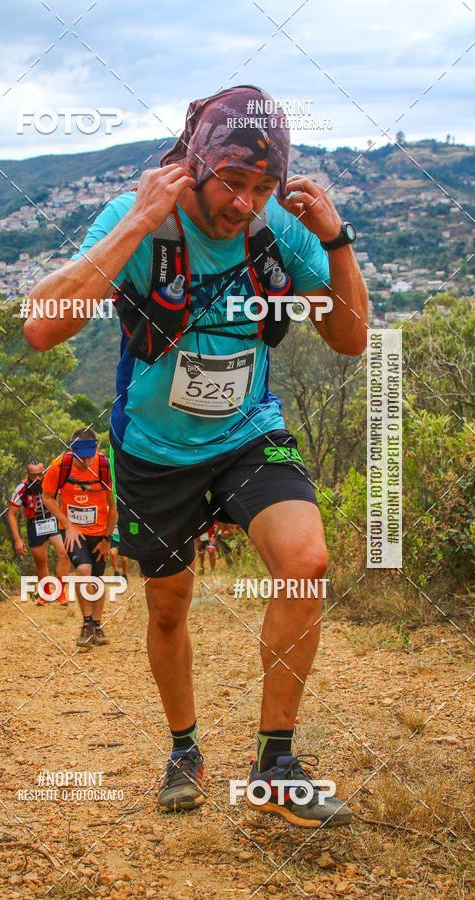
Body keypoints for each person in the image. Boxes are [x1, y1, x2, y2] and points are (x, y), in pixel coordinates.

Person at [24, 84, 367, 826]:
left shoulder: (278, 226)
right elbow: (42, 327)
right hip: (154, 450)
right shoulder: (139, 214)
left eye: (262, 188)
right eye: (233, 183)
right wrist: (141, 220)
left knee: (306, 562)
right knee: (169, 607)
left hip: (247, 433)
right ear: (196, 164)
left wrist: (337, 242)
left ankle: (276, 764)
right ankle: (184, 747)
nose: (246, 204)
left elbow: (349, 339)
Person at [41, 428, 117, 647]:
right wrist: (68, 525)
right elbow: (47, 497)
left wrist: (107, 539)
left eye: (88, 456)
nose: (84, 462)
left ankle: (97, 625)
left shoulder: (105, 467)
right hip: (73, 531)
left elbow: (114, 508)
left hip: (100, 531)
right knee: (83, 570)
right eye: (79, 457)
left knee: (97, 579)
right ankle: (86, 624)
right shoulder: (60, 466)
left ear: (96, 449)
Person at [8, 458, 69, 606]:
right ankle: (46, 594)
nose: (37, 478)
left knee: (64, 554)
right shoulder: (21, 489)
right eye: (33, 475)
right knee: (41, 561)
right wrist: (17, 540)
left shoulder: (51, 481)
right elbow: (11, 514)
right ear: (27, 474)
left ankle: (61, 593)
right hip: (35, 524)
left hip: (52, 520)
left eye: (40, 474)